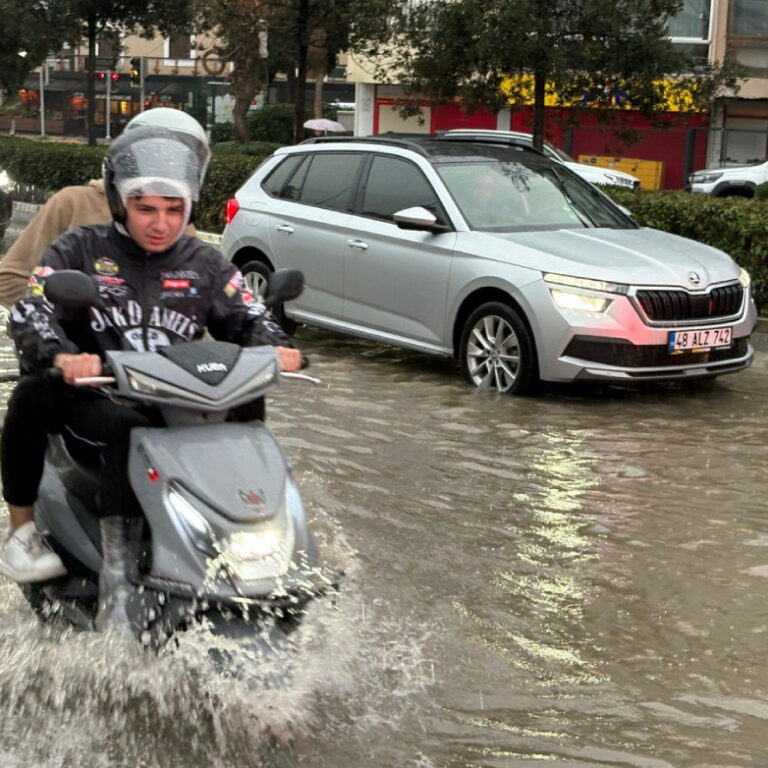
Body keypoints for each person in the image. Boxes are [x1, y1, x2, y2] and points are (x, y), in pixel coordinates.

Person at [0, 122, 300, 629]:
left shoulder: (205, 262)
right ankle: (61, 551)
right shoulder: (79, 249)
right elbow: (31, 304)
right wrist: (62, 354)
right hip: (97, 396)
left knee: (248, 403)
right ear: (121, 202)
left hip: (176, 397)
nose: (160, 223)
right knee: (48, 400)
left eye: (173, 210)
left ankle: (262, 535)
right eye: (146, 209)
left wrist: (279, 345)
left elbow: (249, 311)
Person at [0, 108, 205, 308]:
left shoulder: (179, 226)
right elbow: (11, 279)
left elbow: (204, 298)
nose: (160, 224)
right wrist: (56, 322)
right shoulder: (72, 204)